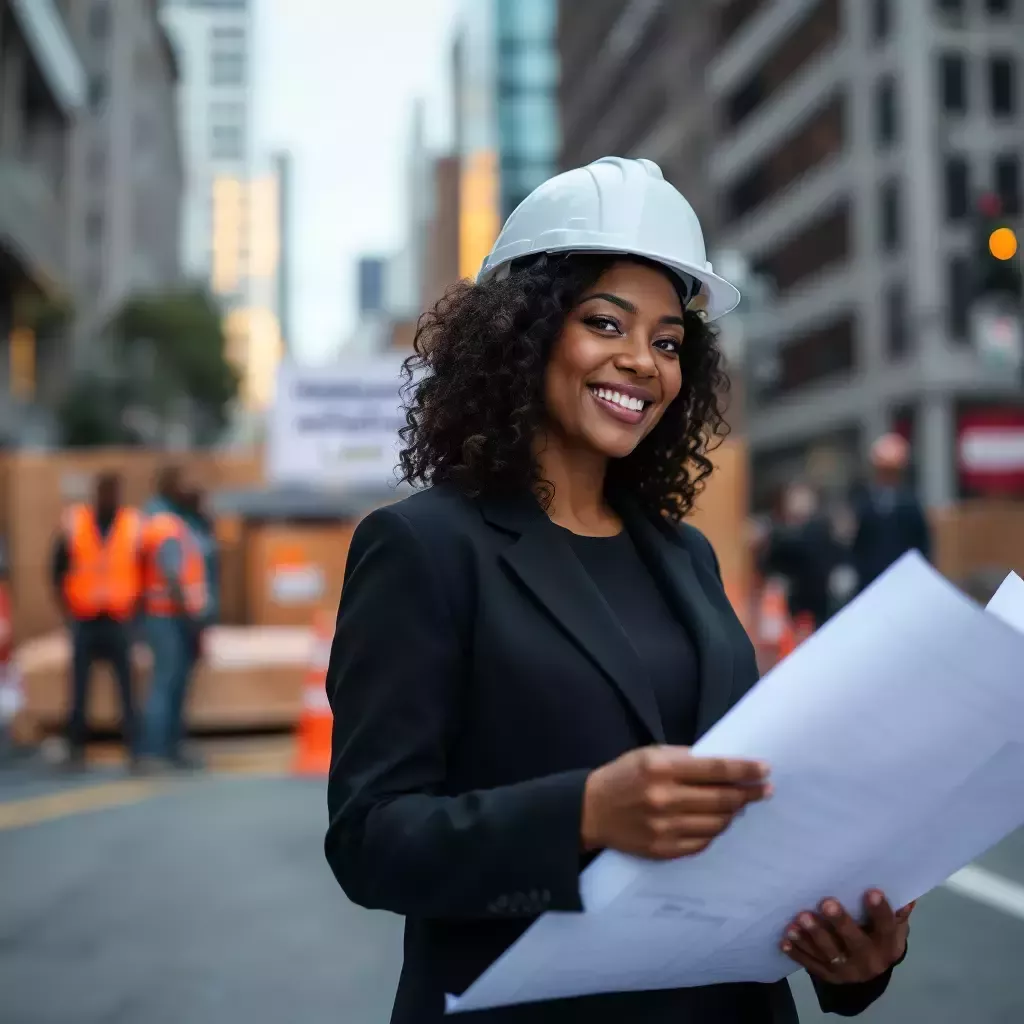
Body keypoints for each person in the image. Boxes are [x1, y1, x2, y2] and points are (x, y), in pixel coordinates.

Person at [324, 158, 911, 1023]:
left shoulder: (687, 558)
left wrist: (846, 959)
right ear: (522, 334)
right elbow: (372, 841)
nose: (641, 363)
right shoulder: (422, 548)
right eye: (606, 323)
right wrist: (584, 815)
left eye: (669, 342)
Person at [51, 473, 143, 770]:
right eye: (103, 493)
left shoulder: (131, 524)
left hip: (118, 617)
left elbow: (142, 567)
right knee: (78, 686)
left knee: (126, 686)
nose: (107, 499)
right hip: (85, 617)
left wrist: (136, 609)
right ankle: (76, 746)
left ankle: (135, 747)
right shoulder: (76, 523)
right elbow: (57, 567)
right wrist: (67, 606)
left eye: (112, 493)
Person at [140, 469, 208, 770]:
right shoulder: (166, 525)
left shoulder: (174, 521)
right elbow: (172, 575)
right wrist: (188, 614)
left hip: (170, 614)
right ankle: (156, 751)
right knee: (166, 683)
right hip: (168, 615)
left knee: (174, 682)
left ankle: (170, 747)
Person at [851, 433, 931, 593]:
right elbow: (859, 543)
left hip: (903, 578)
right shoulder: (866, 501)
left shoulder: (909, 503)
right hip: (871, 580)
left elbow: (921, 542)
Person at [760, 482, 843, 629]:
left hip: (818, 597)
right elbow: (770, 564)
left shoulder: (820, 530)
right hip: (790, 598)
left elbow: (832, 557)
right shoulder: (779, 532)